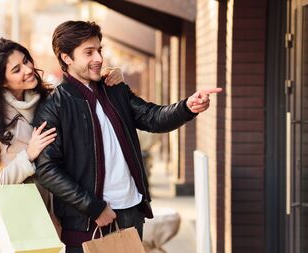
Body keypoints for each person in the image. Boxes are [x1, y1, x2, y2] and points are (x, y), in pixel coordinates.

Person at [32, 21, 222, 253]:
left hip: (131, 212)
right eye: (88, 52)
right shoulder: (53, 107)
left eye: (99, 50)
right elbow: (48, 169)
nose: (99, 58)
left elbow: (152, 117)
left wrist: (187, 107)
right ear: (66, 58)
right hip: (87, 220)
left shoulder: (115, 89)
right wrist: (93, 207)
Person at [0, 38, 124, 193]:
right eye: (17, 70)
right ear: (1, 81)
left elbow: (85, 102)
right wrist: (28, 155)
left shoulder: (51, 100)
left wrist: (111, 78)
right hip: (28, 216)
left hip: (68, 210)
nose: (28, 69)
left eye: (26, 61)